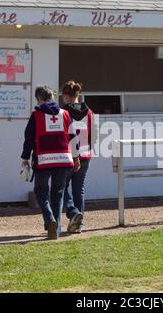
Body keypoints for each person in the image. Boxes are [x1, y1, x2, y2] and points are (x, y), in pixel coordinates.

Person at [21, 85, 81, 240]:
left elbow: (28, 138)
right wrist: (76, 158)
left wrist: (25, 158)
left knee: (40, 192)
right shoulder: (65, 113)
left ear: (39, 99)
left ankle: (50, 220)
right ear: (52, 97)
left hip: (44, 160)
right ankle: (56, 230)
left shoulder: (36, 114)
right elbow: (73, 137)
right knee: (58, 194)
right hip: (63, 160)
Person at [61, 80, 98, 233]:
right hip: (85, 153)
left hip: (68, 155)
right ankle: (79, 224)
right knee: (79, 189)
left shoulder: (63, 112)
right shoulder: (89, 112)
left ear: (65, 96)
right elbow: (94, 135)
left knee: (61, 187)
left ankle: (73, 213)